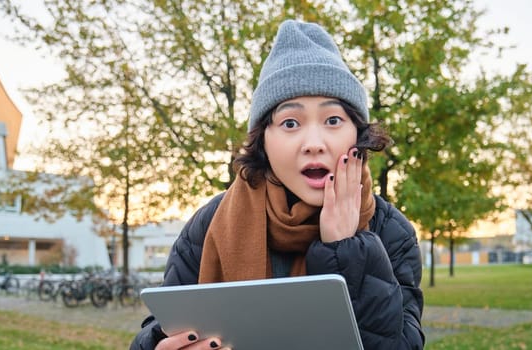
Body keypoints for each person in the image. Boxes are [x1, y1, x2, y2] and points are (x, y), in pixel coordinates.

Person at [131, 19, 424, 350]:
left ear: (357, 135)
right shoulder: (210, 222)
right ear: (263, 142)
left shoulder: (390, 230)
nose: (314, 142)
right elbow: (161, 324)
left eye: (333, 120)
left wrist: (346, 249)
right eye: (290, 122)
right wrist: (158, 344)